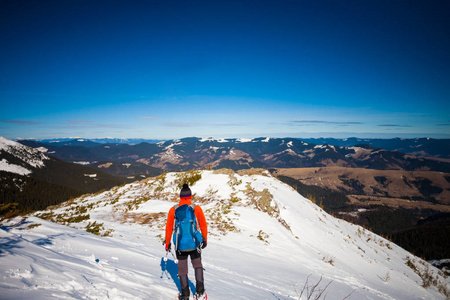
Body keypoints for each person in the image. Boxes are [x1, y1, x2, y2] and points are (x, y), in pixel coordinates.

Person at [165, 183, 208, 300]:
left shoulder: (173, 210)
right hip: (194, 243)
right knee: (197, 266)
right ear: (190, 196)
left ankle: (185, 295)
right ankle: (200, 293)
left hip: (180, 245)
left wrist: (167, 243)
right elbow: (203, 225)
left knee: (182, 269)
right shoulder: (196, 208)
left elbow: (169, 228)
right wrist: (204, 239)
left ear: (180, 196)